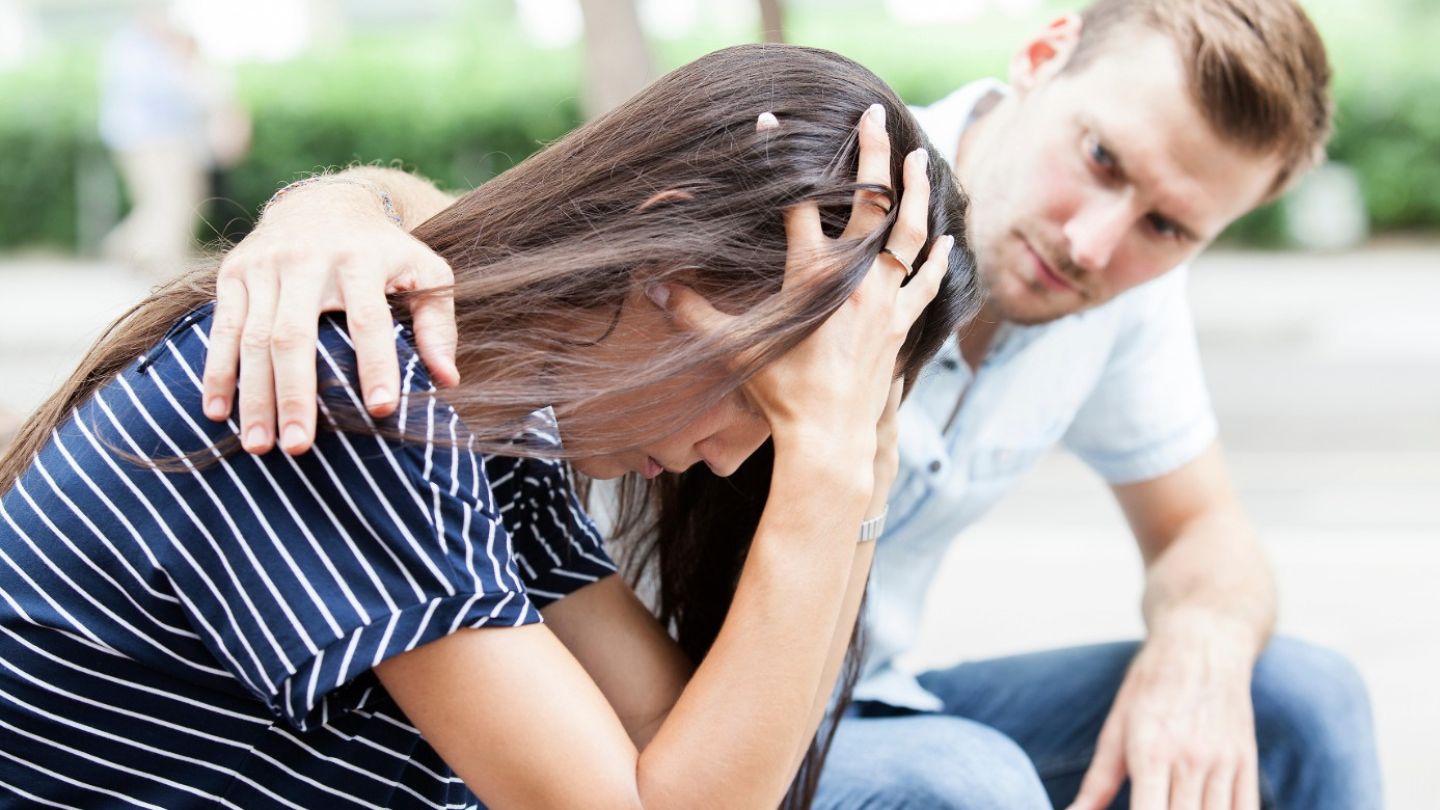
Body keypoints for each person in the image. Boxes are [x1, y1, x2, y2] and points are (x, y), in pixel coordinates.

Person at [206, 1, 1386, 808]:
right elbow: (553, 243)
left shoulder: (1120, 300)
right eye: (1104, 160)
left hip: (851, 698)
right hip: (617, 702)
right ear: (1046, 56)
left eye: (1168, 228)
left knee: (1301, 696)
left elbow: (1205, 535)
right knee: (961, 783)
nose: (1095, 242)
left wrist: (1203, 637)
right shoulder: (833, 186)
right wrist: (330, 209)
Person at [0, 44, 976, 809]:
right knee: (951, 785)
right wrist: (831, 464)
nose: (729, 461)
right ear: (663, 256)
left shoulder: (490, 411)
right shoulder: (360, 390)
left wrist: (865, 448)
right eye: (760, 400)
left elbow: (670, 731)